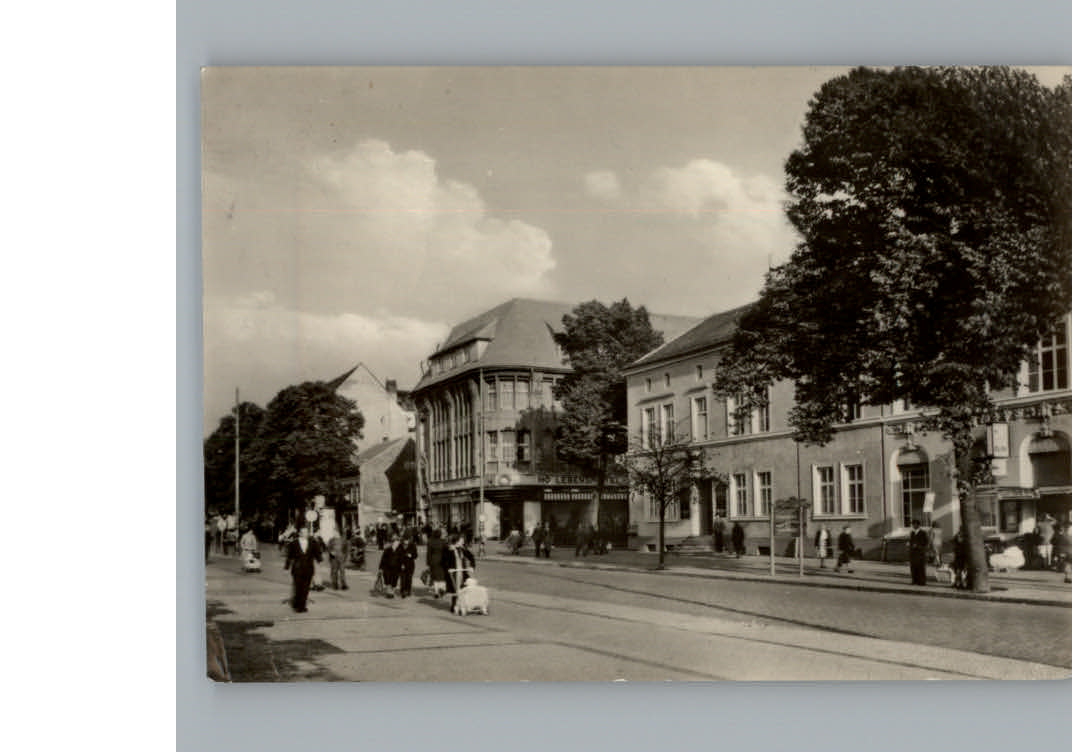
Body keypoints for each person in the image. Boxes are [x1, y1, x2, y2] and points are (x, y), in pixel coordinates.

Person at [284, 526, 322, 613]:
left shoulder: (313, 543)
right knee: (298, 587)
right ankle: (298, 605)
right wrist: (286, 567)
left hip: (309, 568)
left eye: (306, 532)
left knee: (306, 588)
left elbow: (317, 553)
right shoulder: (293, 543)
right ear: (300, 533)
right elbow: (289, 556)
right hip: (297, 568)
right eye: (303, 532)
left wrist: (319, 560)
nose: (305, 534)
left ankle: (302, 605)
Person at [442, 533, 476, 614]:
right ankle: (454, 605)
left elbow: (471, 557)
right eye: (461, 540)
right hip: (454, 573)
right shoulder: (449, 549)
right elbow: (444, 561)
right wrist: (448, 568)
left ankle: (463, 605)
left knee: (464, 588)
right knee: (455, 589)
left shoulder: (462, 549)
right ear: (457, 541)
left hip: (462, 572)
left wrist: (472, 566)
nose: (463, 542)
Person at [426, 527, 447, 596]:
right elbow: (446, 552)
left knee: (435, 576)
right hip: (442, 560)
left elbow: (429, 553)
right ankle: (442, 589)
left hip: (433, 560)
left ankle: (436, 591)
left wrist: (428, 562)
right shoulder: (443, 542)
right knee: (442, 576)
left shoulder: (430, 542)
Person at [908, 519, 929, 585]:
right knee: (913, 567)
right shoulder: (912, 533)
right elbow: (911, 541)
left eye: (914, 524)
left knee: (921, 567)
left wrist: (918, 545)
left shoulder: (923, 533)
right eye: (913, 524)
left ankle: (922, 581)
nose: (913, 526)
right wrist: (910, 544)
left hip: (920, 553)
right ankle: (914, 580)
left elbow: (926, 542)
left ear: (918, 525)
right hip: (913, 553)